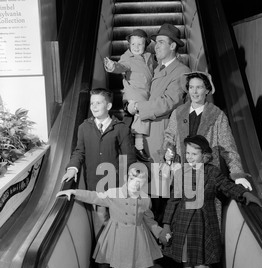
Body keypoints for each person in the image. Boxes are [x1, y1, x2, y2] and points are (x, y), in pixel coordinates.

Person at [160, 135, 262, 268]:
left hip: (202, 224)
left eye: (194, 153)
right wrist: (167, 224)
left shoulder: (212, 172)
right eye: (187, 153)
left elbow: (226, 186)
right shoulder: (180, 173)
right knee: (186, 264)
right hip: (183, 223)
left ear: (205, 155)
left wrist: (244, 194)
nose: (189, 157)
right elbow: (173, 201)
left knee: (200, 266)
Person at [57, 168, 169, 268]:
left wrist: (161, 233)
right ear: (128, 178)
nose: (136, 184)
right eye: (133, 180)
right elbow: (95, 196)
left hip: (138, 238)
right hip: (119, 236)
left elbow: (149, 220)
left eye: (140, 181)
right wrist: (74, 192)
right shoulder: (114, 193)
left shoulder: (145, 199)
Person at [62, 88, 136, 238]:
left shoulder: (121, 128)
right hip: (96, 184)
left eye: (98, 103)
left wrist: (130, 180)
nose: (94, 107)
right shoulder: (84, 128)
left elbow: (129, 157)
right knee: (100, 218)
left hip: (117, 185)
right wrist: (72, 169)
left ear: (108, 106)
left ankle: (117, 253)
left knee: (119, 221)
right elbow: (79, 151)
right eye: (92, 103)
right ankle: (103, 256)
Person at [162, 71, 252, 190]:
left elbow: (228, 148)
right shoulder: (178, 113)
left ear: (207, 90)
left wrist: (237, 174)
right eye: (191, 87)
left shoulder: (217, 115)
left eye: (199, 87)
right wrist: (169, 150)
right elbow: (169, 137)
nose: (194, 92)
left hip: (206, 177)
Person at [127, 24, 191, 164]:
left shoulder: (182, 71)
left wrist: (138, 106)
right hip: (147, 132)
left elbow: (168, 102)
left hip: (163, 132)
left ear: (173, 46)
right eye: (156, 42)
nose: (156, 46)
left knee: (162, 178)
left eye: (161, 42)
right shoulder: (156, 68)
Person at [104, 29, 157, 162]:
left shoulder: (150, 57)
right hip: (133, 95)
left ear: (145, 45)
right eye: (133, 44)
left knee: (131, 120)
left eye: (140, 44)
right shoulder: (127, 58)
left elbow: (156, 69)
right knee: (141, 113)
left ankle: (122, 141)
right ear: (129, 45)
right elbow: (120, 66)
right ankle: (138, 147)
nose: (136, 47)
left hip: (147, 93)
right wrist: (112, 66)